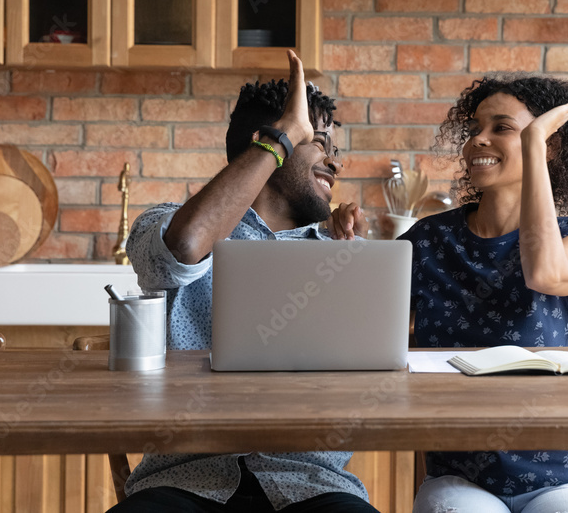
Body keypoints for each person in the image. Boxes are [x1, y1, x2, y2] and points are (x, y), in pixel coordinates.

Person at [111, 51, 375, 513]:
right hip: (186, 479)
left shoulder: (341, 250)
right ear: (268, 142)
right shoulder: (166, 223)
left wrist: (348, 260)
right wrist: (285, 138)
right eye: (320, 142)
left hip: (312, 484)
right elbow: (187, 246)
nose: (335, 162)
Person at [399, 75, 568, 513]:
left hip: (565, 473)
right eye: (475, 128)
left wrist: (535, 140)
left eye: (501, 128)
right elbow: (366, 335)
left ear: (551, 147)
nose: (478, 139)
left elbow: (545, 273)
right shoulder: (425, 240)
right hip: (460, 474)